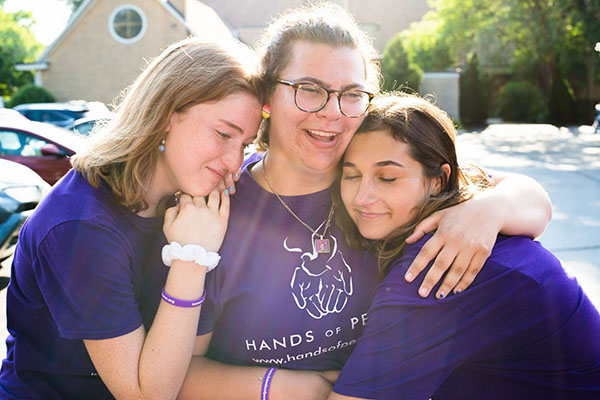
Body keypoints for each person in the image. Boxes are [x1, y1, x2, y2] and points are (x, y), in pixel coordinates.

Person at [142, 3, 552, 398]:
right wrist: (284, 388)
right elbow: (180, 375)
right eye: (309, 90)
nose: (332, 112)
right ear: (267, 96)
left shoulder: (380, 184)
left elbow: (532, 200)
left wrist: (489, 210)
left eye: (352, 94)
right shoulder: (211, 208)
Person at [0, 37, 263, 399]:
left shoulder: (193, 206)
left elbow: (190, 361)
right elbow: (147, 395)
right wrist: (190, 259)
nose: (234, 162)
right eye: (223, 135)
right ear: (167, 112)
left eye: (245, 144)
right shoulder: (81, 225)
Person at [328, 93, 600, 400]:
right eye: (351, 175)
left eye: (388, 178)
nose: (363, 196)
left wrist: (272, 383)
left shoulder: (437, 267)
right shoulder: (464, 197)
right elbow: (519, 188)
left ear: (438, 180)